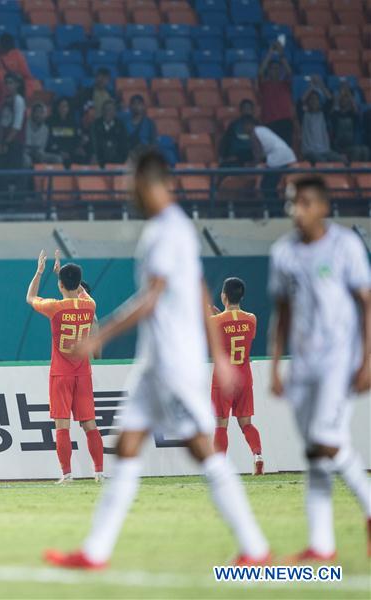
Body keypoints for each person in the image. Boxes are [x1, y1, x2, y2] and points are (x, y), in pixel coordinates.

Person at [44, 149, 270, 570]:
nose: (126, 189)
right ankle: (95, 552)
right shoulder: (173, 228)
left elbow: (154, 297)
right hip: (154, 361)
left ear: (149, 182)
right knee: (126, 446)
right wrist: (220, 356)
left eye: (131, 181)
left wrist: (100, 335)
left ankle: (255, 546)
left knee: (202, 449)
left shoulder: (165, 232)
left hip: (173, 363)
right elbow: (200, 288)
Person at [268, 176, 371, 562]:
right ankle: (322, 544)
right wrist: (275, 366)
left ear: (324, 206)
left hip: (339, 361)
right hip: (303, 363)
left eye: (306, 202)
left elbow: (366, 302)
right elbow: (282, 312)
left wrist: (368, 358)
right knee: (315, 451)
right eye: (293, 203)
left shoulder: (345, 245)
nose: (298, 210)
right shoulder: (283, 253)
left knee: (324, 439)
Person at [26, 251, 104, 484]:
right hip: (83, 372)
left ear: (60, 285)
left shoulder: (54, 307)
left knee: (62, 426)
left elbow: (30, 297)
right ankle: (99, 472)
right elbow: (80, 291)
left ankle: (66, 474)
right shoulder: (90, 305)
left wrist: (40, 271)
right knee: (90, 424)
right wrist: (63, 273)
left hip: (61, 373)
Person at [209, 277, 263, 474]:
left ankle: (219, 467)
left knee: (221, 425)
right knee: (246, 423)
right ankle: (258, 455)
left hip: (223, 379)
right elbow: (238, 330)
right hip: (244, 377)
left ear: (223, 296)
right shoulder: (251, 318)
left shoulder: (215, 321)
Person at [242, 116, 296, 199]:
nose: (243, 128)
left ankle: (273, 210)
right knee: (273, 186)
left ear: (250, 125)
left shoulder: (254, 133)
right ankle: (275, 208)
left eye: (244, 125)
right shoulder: (262, 129)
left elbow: (259, 156)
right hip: (288, 156)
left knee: (267, 186)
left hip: (278, 158)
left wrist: (250, 165)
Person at [258, 42, 295, 147]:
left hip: (285, 122)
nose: (276, 70)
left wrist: (281, 54)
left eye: (278, 68)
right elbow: (260, 73)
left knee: (286, 149)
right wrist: (270, 53)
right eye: (273, 68)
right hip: (269, 122)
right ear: (269, 71)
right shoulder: (265, 85)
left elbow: (289, 73)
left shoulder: (286, 84)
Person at [300, 87, 344, 164]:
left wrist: (320, 85)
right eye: (311, 99)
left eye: (316, 99)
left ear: (319, 101)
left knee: (342, 160)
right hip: (309, 151)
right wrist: (311, 87)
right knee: (323, 162)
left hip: (325, 150)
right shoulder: (303, 115)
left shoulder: (323, 114)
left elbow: (330, 99)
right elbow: (299, 102)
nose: (314, 101)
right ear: (308, 102)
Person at [329, 87, 370, 163]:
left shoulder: (351, 114)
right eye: (342, 99)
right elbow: (333, 109)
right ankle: (352, 172)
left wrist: (348, 94)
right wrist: (340, 95)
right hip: (338, 147)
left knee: (365, 150)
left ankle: (365, 172)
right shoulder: (335, 114)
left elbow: (356, 111)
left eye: (346, 99)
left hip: (350, 145)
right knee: (357, 151)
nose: (344, 100)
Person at [46, 96, 89, 166]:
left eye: (65, 106)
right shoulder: (50, 122)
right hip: (56, 152)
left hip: (71, 151)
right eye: (61, 106)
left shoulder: (73, 122)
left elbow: (77, 138)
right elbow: (49, 141)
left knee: (82, 155)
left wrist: (81, 142)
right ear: (57, 108)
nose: (63, 109)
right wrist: (59, 152)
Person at [0, 73, 25, 171]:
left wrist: (6, 142)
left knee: (13, 169)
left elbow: (17, 126)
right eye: (6, 83)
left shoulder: (19, 100)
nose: (8, 86)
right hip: (5, 138)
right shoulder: (6, 100)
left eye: (10, 83)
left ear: (17, 84)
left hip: (14, 141)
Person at [219, 100, 257, 167]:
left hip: (253, 159)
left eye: (249, 108)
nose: (247, 110)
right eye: (245, 108)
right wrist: (222, 157)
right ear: (241, 110)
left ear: (253, 110)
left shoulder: (259, 125)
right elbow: (225, 142)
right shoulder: (234, 125)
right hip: (236, 160)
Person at [89, 101, 128, 166]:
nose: (107, 112)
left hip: (117, 159)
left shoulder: (120, 125)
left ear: (115, 112)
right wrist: (94, 154)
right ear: (102, 111)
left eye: (110, 109)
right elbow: (93, 142)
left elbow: (124, 143)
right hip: (100, 158)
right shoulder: (95, 125)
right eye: (105, 109)